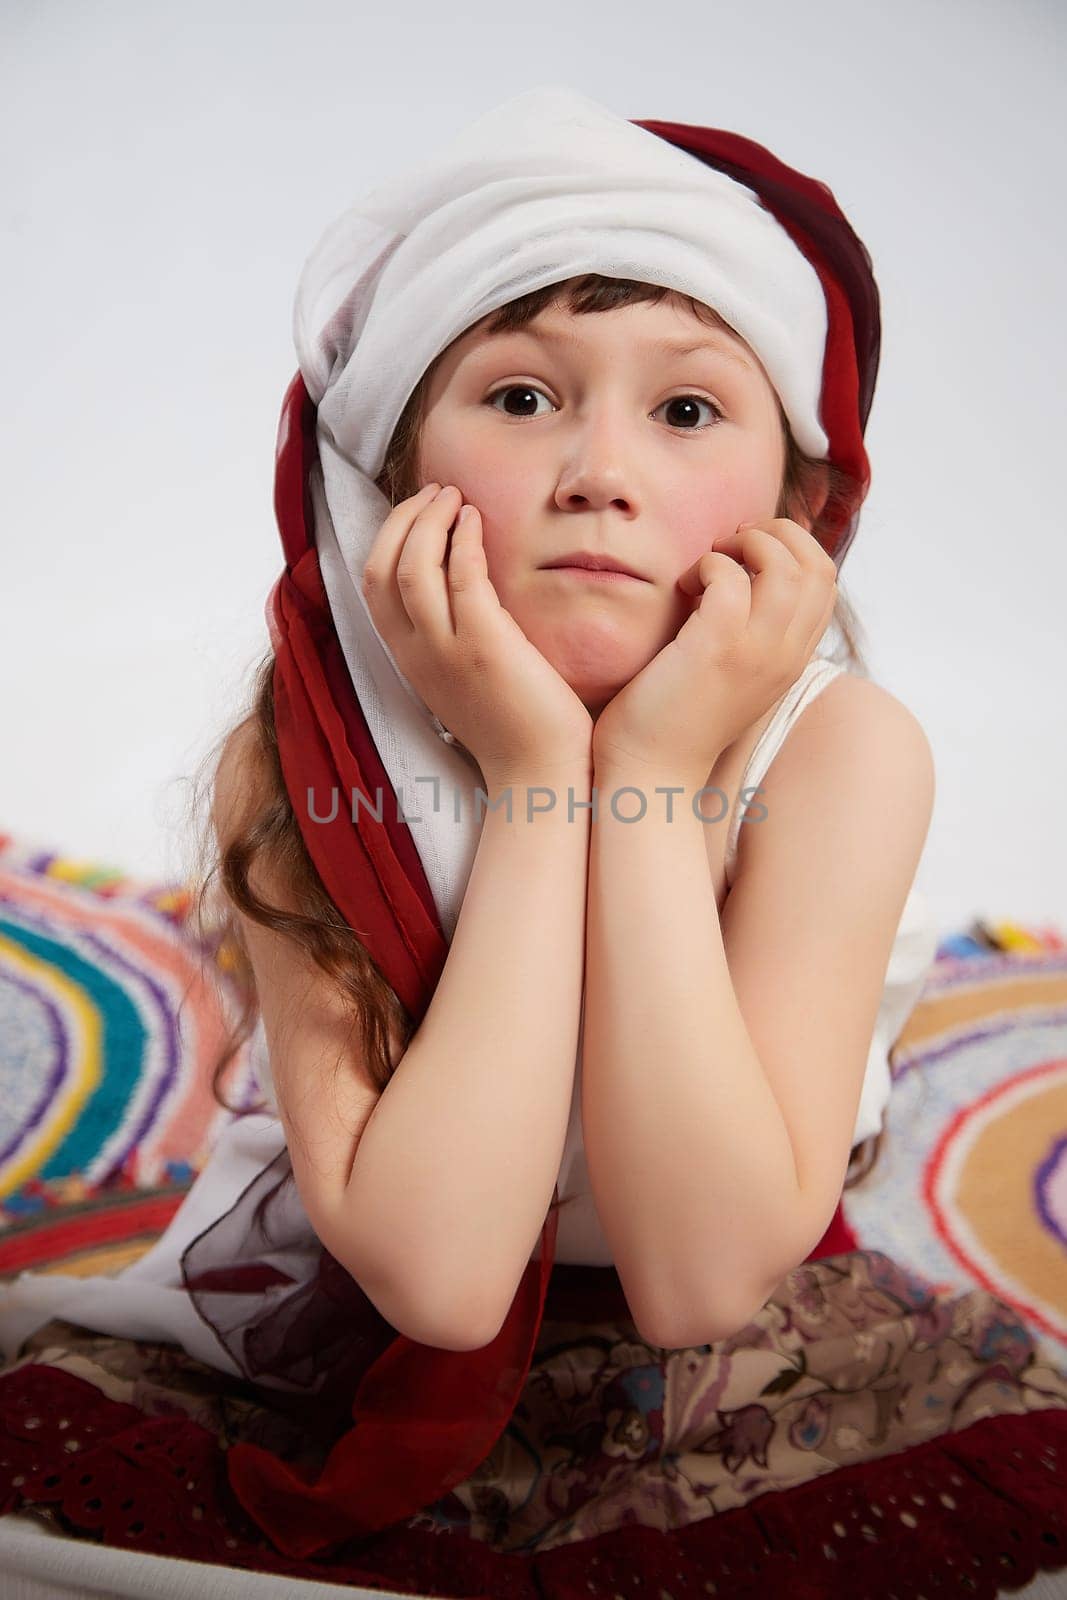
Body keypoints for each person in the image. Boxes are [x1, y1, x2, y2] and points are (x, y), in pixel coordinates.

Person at [0, 84, 939, 1556]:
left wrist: (650, 766)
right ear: (390, 480)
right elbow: (439, 1280)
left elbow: (696, 1277)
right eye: (520, 397)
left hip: (726, 1356)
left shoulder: (841, 755)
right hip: (360, 1325)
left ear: (803, 502)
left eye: (687, 409)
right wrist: (539, 776)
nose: (600, 475)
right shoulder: (297, 762)